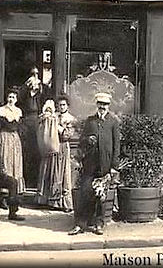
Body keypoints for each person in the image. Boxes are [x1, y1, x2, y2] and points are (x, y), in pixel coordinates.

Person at [69, 91, 121, 236]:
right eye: (100, 104)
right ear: (96, 105)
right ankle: (80, 225)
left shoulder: (113, 122)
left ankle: (99, 224)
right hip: (90, 164)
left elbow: (117, 145)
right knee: (85, 193)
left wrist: (114, 167)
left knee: (101, 196)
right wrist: (87, 140)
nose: (102, 107)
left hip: (105, 165)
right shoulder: (90, 121)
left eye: (105, 104)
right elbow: (81, 142)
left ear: (108, 105)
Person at [0, 87, 26, 199]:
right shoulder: (1, 110)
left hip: (15, 139)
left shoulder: (18, 111)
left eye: (13, 97)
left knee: (15, 163)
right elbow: (1, 124)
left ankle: (14, 195)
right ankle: (3, 194)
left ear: (16, 99)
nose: (11, 99)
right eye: (9, 97)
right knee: (5, 161)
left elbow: (18, 126)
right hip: (4, 137)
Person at [36, 99, 63, 209]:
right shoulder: (49, 119)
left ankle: (47, 198)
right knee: (49, 173)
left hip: (48, 150)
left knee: (49, 173)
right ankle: (48, 199)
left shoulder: (45, 119)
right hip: (50, 150)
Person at [19, 67, 44, 187]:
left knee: (37, 151)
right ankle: (25, 180)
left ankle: (35, 181)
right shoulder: (24, 91)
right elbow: (19, 99)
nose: (35, 76)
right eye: (32, 74)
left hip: (37, 122)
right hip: (26, 122)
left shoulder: (42, 89)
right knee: (26, 151)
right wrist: (27, 88)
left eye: (37, 74)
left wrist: (38, 89)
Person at [54, 95, 76, 212]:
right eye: (59, 105)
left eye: (63, 105)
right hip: (53, 146)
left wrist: (59, 128)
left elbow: (67, 135)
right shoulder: (54, 116)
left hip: (63, 145)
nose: (61, 107)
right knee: (55, 172)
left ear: (67, 106)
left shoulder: (70, 118)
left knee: (64, 172)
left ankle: (66, 203)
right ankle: (54, 201)